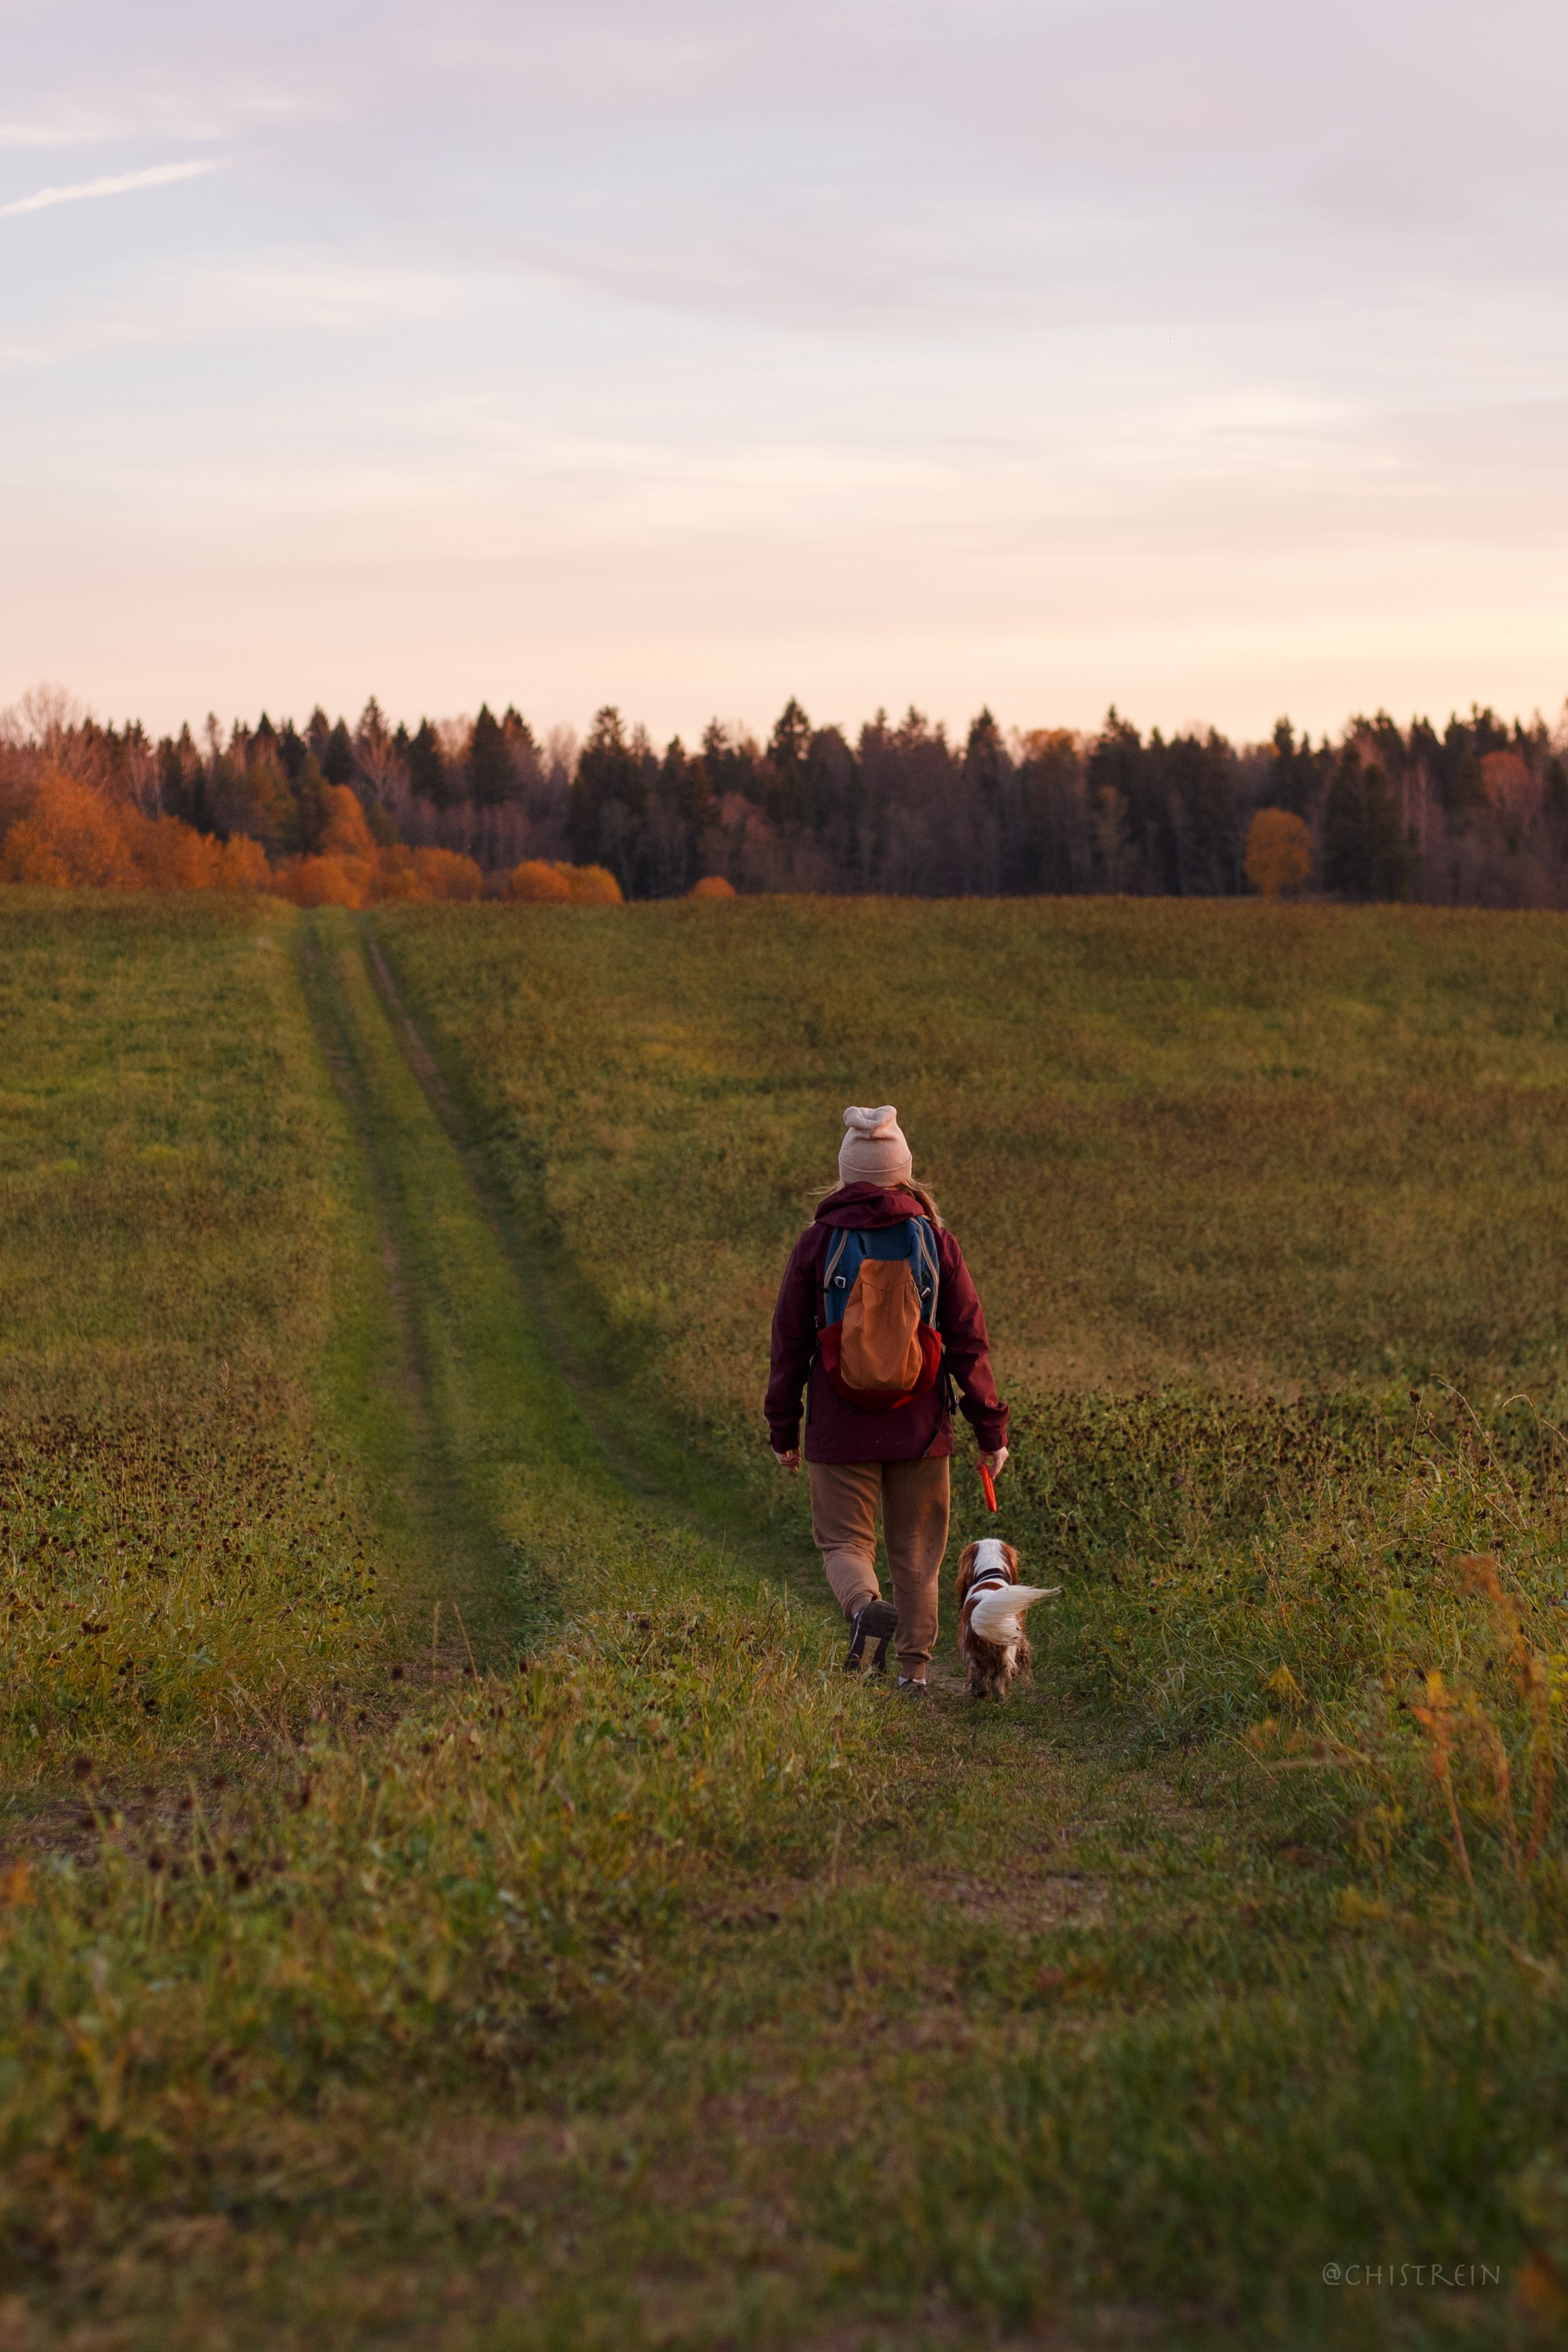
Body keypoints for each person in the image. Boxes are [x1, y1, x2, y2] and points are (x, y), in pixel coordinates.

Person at [765, 1104, 1009, 1696]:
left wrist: (784, 1429)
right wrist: (990, 1430)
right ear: (903, 1172)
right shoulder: (935, 1241)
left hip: (839, 1427)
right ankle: (913, 1674)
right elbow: (968, 1340)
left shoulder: (816, 1242)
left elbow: (789, 1342)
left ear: (847, 1172)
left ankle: (863, 1608)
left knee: (844, 1542)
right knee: (918, 1555)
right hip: (921, 1429)